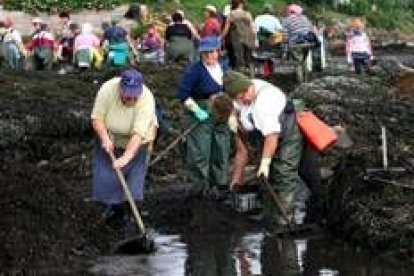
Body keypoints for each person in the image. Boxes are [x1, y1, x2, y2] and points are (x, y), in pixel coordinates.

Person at [223, 70, 303, 227]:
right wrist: (237, 178)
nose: (244, 99)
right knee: (264, 178)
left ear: (250, 87)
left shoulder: (264, 103)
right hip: (262, 136)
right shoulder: (238, 99)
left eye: (245, 94)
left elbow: (272, 137)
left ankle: (285, 219)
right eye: (239, 98)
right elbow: (242, 149)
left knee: (283, 173)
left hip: (286, 134)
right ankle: (268, 215)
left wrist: (265, 163)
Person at [91, 68, 158, 226]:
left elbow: (138, 134)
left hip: (138, 144)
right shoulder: (107, 90)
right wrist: (105, 139)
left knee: (133, 188)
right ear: (120, 88)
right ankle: (112, 218)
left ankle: (133, 223)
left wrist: (126, 157)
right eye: (128, 94)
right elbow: (97, 118)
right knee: (106, 185)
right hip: (111, 139)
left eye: (135, 95)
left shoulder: (147, 99)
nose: (131, 99)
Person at [177, 35, 232, 199]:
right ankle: (201, 187)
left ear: (218, 51)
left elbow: (229, 89)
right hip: (200, 112)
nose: (209, 56)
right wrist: (196, 110)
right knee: (201, 151)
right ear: (201, 54)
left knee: (221, 147)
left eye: (212, 52)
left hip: (221, 110)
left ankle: (220, 184)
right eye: (205, 53)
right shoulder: (195, 70)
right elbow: (183, 94)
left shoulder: (223, 68)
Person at [222, 0, 256, 70]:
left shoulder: (231, 14)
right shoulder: (247, 14)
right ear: (240, 4)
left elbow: (226, 29)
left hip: (237, 39)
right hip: (248, 39)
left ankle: (240, 73)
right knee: (248, 59)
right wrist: (255, 38)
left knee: (239, 59)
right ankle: (249, 74)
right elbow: (253, 29)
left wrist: (221, 37)